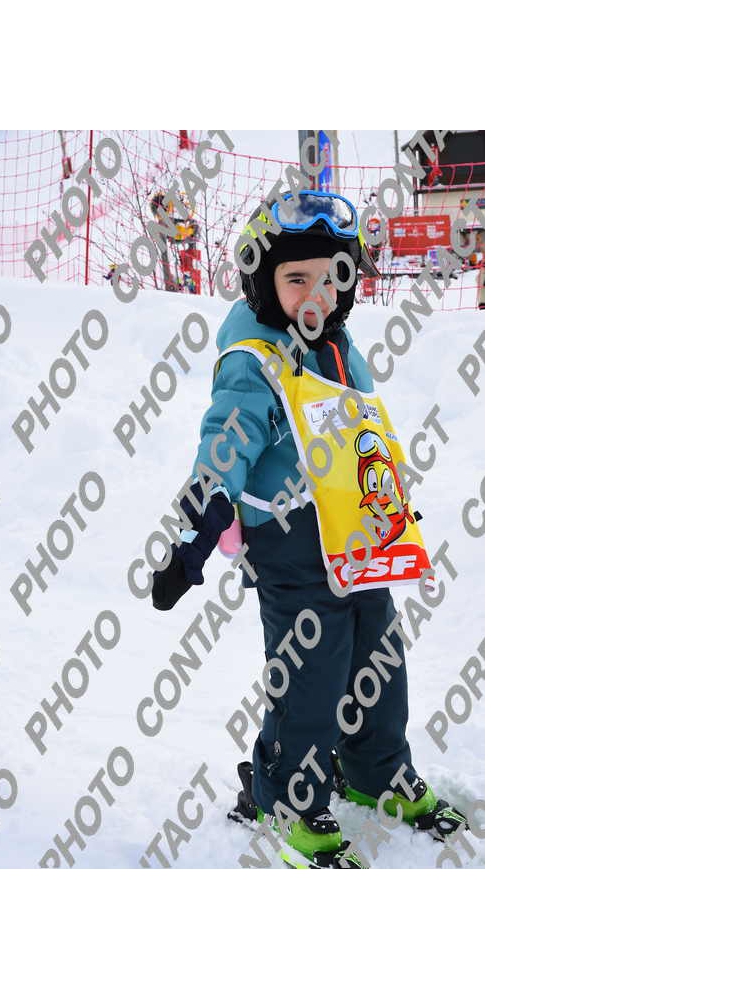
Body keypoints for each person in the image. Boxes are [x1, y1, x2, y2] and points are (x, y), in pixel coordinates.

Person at [151, 191, 468, 868]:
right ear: (262, 282)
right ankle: (289, 800)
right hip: (290, 540)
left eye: (331, 278)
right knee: (310, 675)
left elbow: (362, 426)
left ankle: (376, 770)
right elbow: (227, 438)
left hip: (356, 531)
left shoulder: (339, 345)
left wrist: (389, 497)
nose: (316, 295)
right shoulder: (254, 358)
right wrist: (200, 528)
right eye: (297, 279)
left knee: (379, 657)